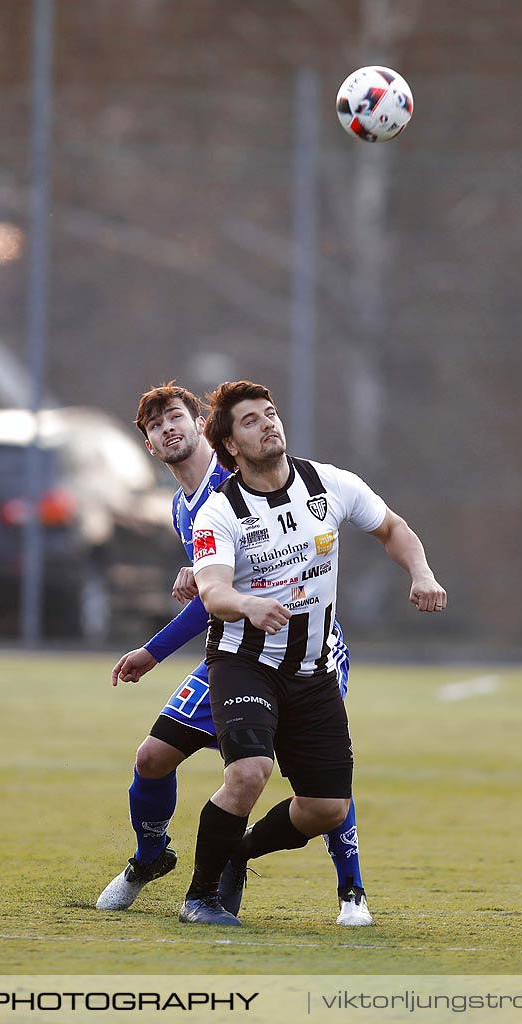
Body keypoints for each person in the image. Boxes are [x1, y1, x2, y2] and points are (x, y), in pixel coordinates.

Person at [98, 383, 371, 925]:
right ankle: (151, 859)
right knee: (152, 757)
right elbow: (220, 591)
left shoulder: (239, 481)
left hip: (303, 653)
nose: (167, 429)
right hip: (235, 652)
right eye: (155, 426)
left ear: (203, 426)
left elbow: (220, 596)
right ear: (149, 444)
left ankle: (352, 891)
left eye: (176, 416)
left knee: (316, 777)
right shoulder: (184, 506)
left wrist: (153, 652)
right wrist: (200, 577)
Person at [178, 380, 444, 926]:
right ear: (229, 444)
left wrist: (421, 573)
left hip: (313, 669)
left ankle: (239, 853)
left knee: (327, 809)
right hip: (244, 661)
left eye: (270, 414)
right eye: (250, 420)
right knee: (249, 773)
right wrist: (246, 604)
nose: (268, 424)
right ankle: (199, 898)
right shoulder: (220, 512)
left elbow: (393, 528)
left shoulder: (329, 482)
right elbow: (212, 590)